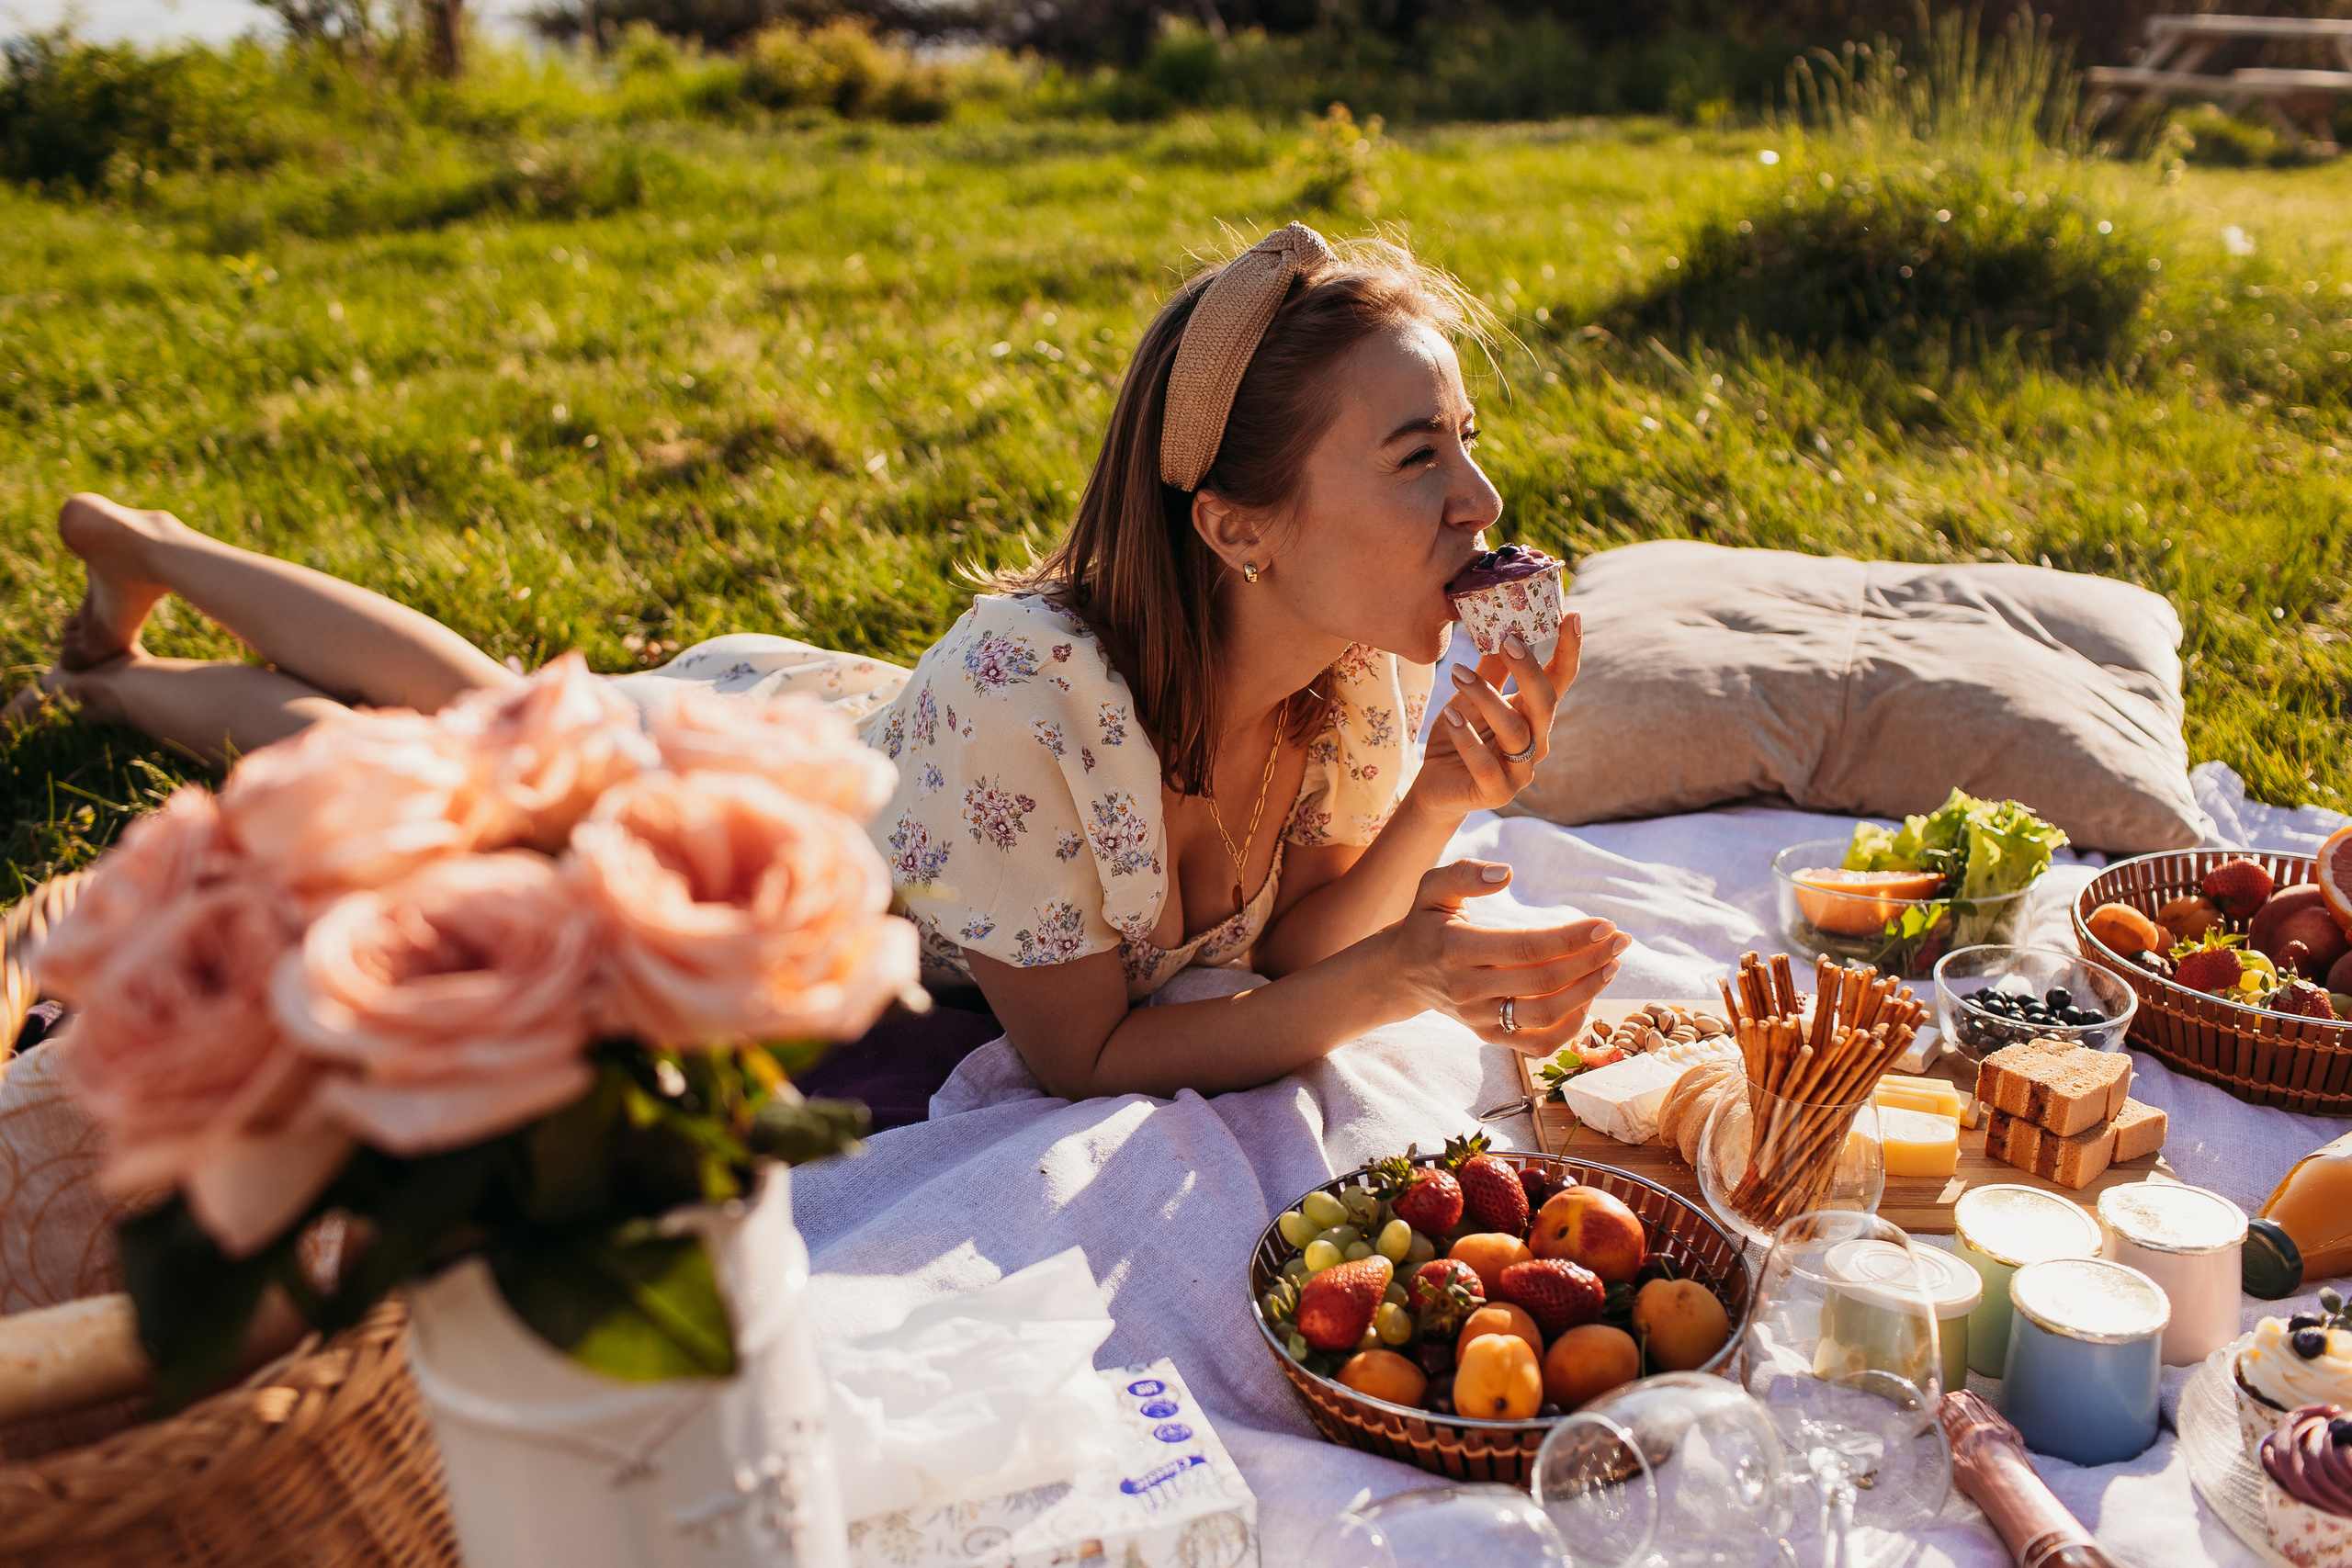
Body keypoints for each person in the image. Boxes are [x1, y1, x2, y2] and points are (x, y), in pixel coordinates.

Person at [12, 222, 1626, 1113]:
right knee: (471, 740)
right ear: (1240, 528)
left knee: (459, 717)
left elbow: (1291, 946)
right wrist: (1397, 979)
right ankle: (146, 566)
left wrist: (1439, 807)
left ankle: (109, 668)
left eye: (1465, 445)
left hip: (876, 729)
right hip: (765, 798)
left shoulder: (1358, 670)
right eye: (1420, 457)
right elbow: (1083, 1056)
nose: (1481, 503)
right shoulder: (1032, 695)